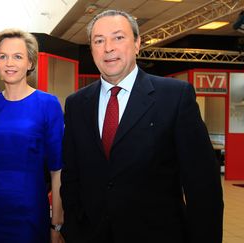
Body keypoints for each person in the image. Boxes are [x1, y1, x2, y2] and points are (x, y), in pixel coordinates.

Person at [60, 9, 223, 243]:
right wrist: (74, 229)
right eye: (99, 40)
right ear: (92, 49)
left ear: (137, 44)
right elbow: (71, 174)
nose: (108, 48)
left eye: (118, 37)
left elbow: (202, 185)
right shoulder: (77, 104)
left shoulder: (174, 97)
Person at [0, 29, 65, 243]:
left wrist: (56, 223)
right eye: (3, 56)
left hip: (29, 213)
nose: (9, 63)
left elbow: (57, 169)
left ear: (30, 63)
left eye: (17, 56)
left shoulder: (48, 104)